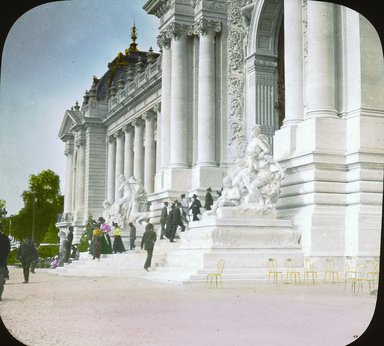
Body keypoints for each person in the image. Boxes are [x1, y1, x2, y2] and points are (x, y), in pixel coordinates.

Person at [0, 223, 11, 301]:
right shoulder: (5, 238)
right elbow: (8, 250)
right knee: (0, 281)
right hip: (2, 263)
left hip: (2, 263)